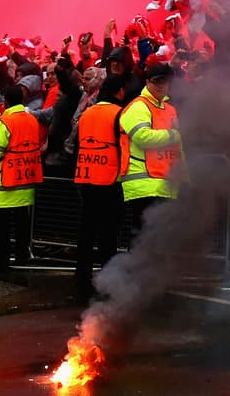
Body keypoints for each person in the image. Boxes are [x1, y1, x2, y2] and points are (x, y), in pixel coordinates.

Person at [72, 75, 128, 299]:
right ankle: (107, 286)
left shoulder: (87, 113)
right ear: (121, 91)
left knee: (86, 235)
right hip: (110, 181)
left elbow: (77, 144)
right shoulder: (119, 114)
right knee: (108, 236)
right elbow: (124, 148)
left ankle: (82, 284)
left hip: (85, 177)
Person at [119, 62, 184, 234]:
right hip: (145, 185)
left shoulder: (169, 109)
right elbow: (142, 137)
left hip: (165, 183)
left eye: (165, 81)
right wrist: (174, 135)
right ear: (147, 82)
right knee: (143, 238)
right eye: (157, 81)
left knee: (157, 239)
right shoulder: (139, 106)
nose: (162, 85)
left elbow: (179, 148)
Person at [0, 84, 39, 271]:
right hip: (25, 181)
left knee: (2, 225)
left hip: (4, 182)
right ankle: (22, 255)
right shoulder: (32, 120)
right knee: (22, 222)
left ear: (5, 101)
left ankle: (2, 261)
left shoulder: (5, 122)